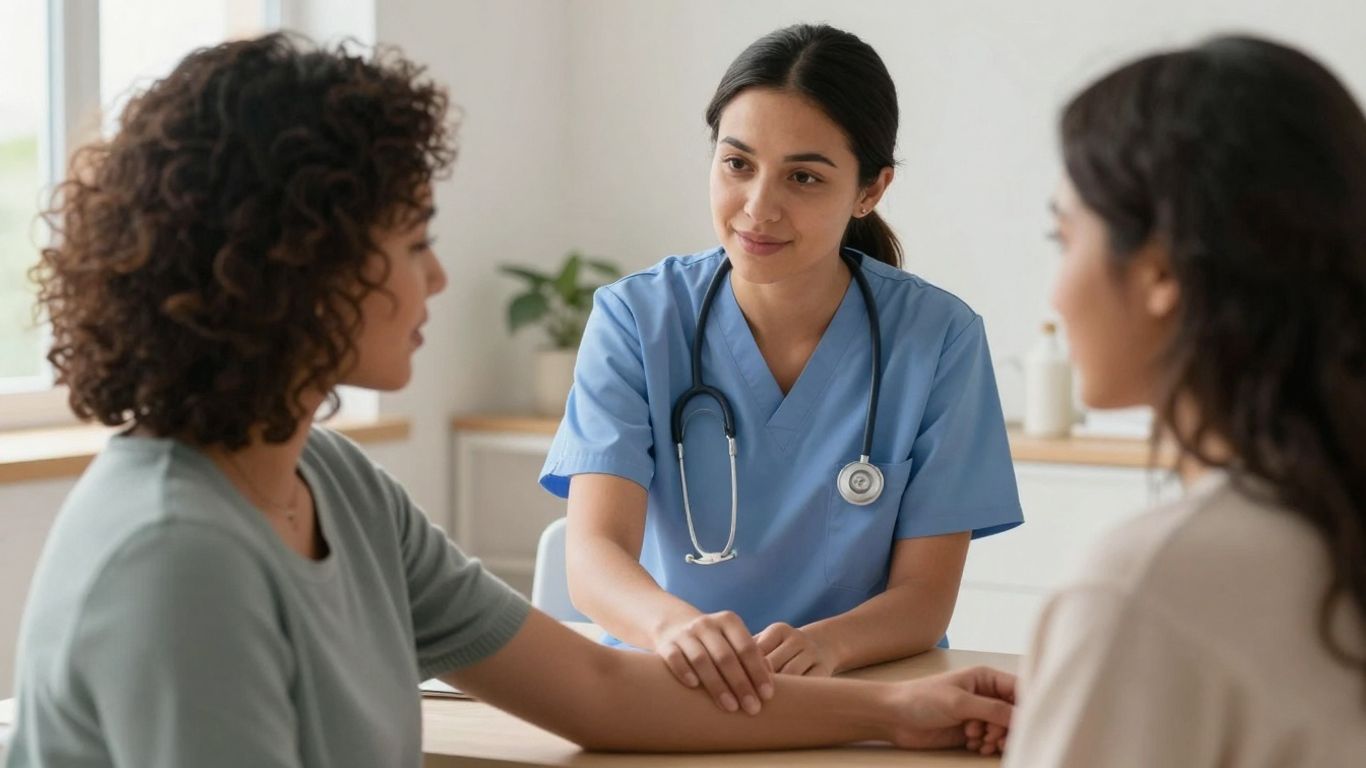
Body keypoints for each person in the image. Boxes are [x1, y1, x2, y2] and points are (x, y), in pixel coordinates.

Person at [5, 32, 1016, 768]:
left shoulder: (341, 490)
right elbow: (605, 616)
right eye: (412, 244)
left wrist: (897, 713)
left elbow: (598, 688)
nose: (439, 280)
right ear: (294, 271)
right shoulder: (175, 557)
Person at [540, 22, 1023, 716]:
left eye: (803, 176)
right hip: (671, 687)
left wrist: (826, 646)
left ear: (870, 189)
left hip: (864, 694)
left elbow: (924, 598)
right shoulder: (637, 319)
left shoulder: (938, 339)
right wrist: (677, 629)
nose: (758, 208)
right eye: (737, 164)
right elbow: (592, 556)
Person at [1001, 35, 1366, 765]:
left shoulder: (1145, 586)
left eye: (1064, 236)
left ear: (1161, 271)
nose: (1055, 292)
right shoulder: (1333, 522)